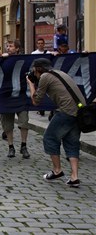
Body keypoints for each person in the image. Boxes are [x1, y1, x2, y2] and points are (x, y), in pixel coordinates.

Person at [28, 58, 85, 187]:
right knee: (71, 142)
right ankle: (74, 177)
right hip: (80, 113)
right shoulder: (59, 73)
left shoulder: (45, 77)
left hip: (66, 112)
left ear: (38, 69)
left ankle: (57, 170)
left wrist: (31, 84)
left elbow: (36, 101)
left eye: (34, 70)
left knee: (50, 138)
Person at [1, 40, 31, 159]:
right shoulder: (3, 60)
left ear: (17, 49)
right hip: (7, 96)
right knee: (7, 124)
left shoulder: (24, 60)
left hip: (21, 95)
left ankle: (24, 145)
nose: (8, 48)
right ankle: (11, 146)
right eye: (7, 46)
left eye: (11, 46)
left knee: (24, 121)